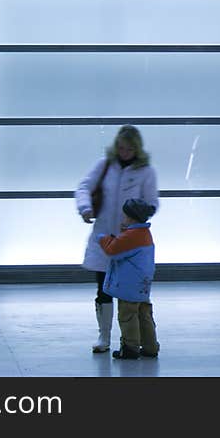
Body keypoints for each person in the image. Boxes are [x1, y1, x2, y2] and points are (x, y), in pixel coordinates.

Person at [75, 125, 159, 353]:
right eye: (121, 148)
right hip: (105, 241)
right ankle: (105, 337)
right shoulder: (104, 166)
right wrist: (85, 208)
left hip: (131, 244)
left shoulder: (146, 172)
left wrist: (134, 217)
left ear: (137, 149)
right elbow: (83, 187)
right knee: (103, 290)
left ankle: (134, 341)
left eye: (129, 149)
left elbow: (152, 203)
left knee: (133, 297)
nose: (124, 152)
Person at [98, 198, 159, 359]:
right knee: (144, 315)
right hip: (142, 284)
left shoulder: (131, 236)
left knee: (127, 316)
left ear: (131, 218)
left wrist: (103, 238)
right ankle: (150, 347)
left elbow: (113, 250)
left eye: (124, 216)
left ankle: (130, 348)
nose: (122, 219)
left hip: (128, 285)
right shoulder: (145, 233)